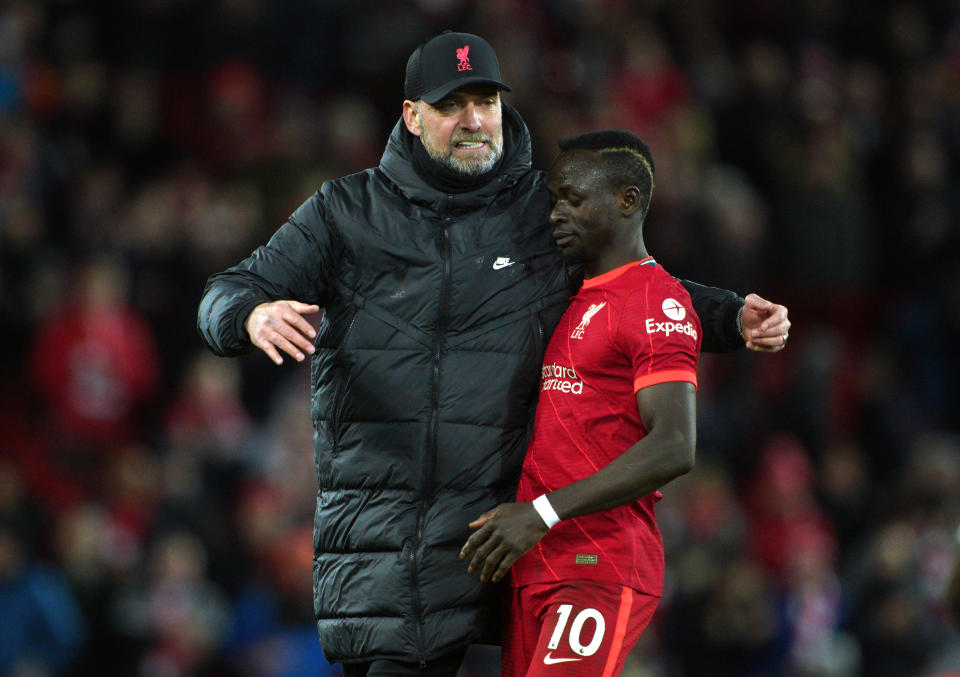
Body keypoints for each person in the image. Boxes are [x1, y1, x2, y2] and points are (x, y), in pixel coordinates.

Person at [197, 31, 790, 676]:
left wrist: (731, 316)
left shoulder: (546, 213)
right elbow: (226, 291)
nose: (475, 120)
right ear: (412, 116)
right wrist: (251, 314)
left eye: (486, 102)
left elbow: (637, 288)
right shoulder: (346, 213)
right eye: (453, 106)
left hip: (505, 547)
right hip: (386, 546)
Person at [460, 130, 700, 675]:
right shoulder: (578, 296)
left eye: (573, 199)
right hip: (537, 562)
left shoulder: (655, 300)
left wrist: (542, 513)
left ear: (628, 201)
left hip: (598, 561)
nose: (555, 215)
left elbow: (676, 444)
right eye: (553, 200)